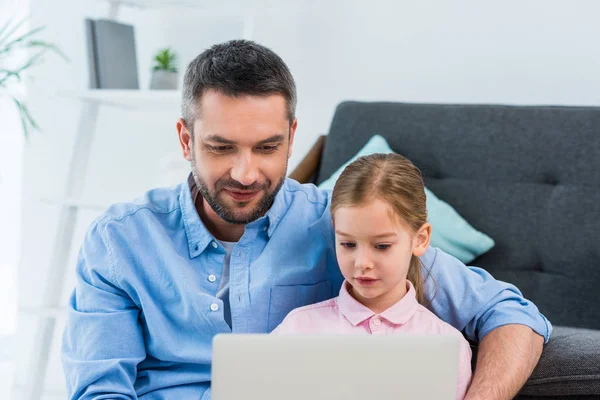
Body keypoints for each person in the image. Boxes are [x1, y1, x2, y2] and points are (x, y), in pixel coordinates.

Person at [62, 39, 551, 400]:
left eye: (268, 147)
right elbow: (99, 391)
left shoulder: (340, 228)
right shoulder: (120, 242)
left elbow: (511, 315)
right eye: (221, 147)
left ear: (292, 137)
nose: (245, 172)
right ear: (186, 141)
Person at [272, 153, 473, 399]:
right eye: (347, 244)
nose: (362, 263)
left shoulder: (447, 344)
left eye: (381, 246)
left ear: (419, 240)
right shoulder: (298, 329)